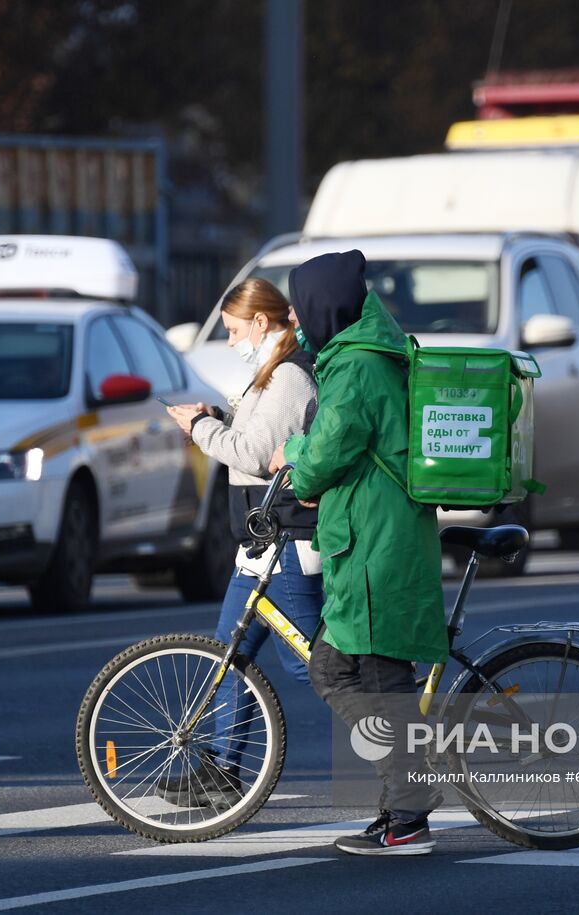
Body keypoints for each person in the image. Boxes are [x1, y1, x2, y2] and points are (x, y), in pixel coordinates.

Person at [269, 250, 447, 856]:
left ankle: (410, 814)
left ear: (324, 305)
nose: (293, 318)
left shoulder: (357, 366)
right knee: (345, 669)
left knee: (371, 678)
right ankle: (400, 799)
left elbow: (327, 451)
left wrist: (293, 457)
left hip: (377, 547)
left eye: (298, 306)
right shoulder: (364, 352)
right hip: (373, 540)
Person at [159, 277, 323, 809]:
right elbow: (258, 440)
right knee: (227, 652)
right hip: (258, 542)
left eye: (233, 330)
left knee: (315, 666)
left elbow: (254, 455)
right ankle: (222, 769)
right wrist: (215, 420)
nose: (230, 342)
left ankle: (409, 728)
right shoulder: (268, 374)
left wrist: (202, 431)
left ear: (261, 322)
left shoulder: (290, 377)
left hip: (287, 540)